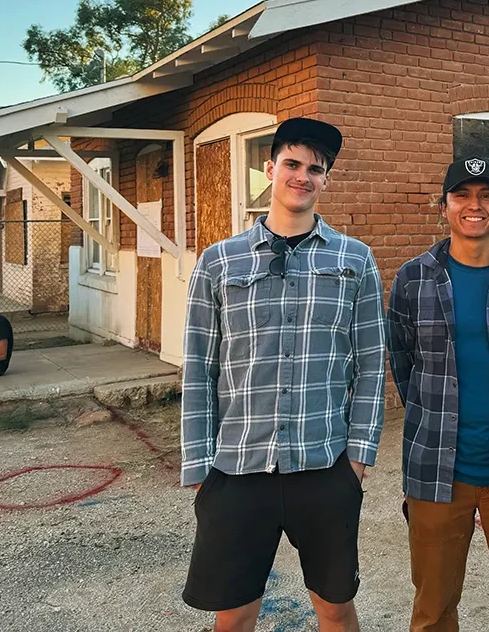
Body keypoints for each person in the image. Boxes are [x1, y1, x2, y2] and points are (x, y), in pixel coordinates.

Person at [180, 117, 387, 632]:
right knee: (235, 613)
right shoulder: (218, 262)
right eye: (292, 164)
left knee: (336, 608)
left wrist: (358, 460)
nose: (303, 176)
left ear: (326, 180)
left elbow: (369, 366)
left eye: (316, 169)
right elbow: (200, 366)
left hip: (324, 467)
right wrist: (200, 466)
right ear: (269, 168)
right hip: (238, 469)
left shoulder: (354, 261)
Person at [388, 156, 489, 632]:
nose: (474, 206)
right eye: (462, 195)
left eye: (486, 196)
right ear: (444, 206)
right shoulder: (412, 280)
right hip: (437, 473)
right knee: (433, 611)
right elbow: (404, 365)